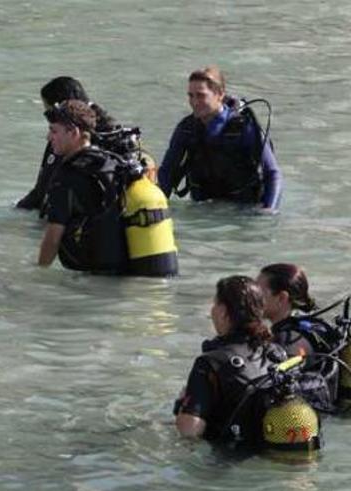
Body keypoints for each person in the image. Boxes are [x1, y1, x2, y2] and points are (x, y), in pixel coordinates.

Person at [174, 276, 321, 451]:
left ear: (222, 311)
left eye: (214, 304)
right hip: (274, 449)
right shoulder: (278, 353)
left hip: (230, 462)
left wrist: (182, 406)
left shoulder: (210, 363)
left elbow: (189, 432)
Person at [37, 100, 178, 276]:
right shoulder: (112, 163)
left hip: (98, 279)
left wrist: (37, 276)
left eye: (53, 131)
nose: (49, 138)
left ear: (74, 132)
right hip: (131, 270)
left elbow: (53, 238)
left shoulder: (68, 176)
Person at [157, 65, 282, 212]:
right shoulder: (186, 129)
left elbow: (273, 173)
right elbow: (166, 173)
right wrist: (156, 206)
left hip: (243, 210)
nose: (194, 102)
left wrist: (269, 210)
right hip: (202, 209)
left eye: (201, 95)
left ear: (220, 94)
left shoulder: (245, 127)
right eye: (191, 95)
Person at [16, 76, 117, 216]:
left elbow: (42, 190)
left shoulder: (67, 139)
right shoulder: (110, 136)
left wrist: (17, 212)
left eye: (48, 111)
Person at [257, 263, 342, 410]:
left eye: (258, 293)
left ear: (281, 298)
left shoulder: (288, 341)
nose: (252, 297)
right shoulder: (314, 324)